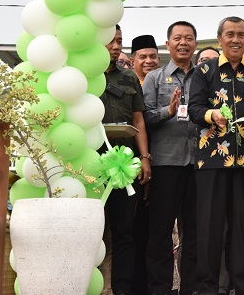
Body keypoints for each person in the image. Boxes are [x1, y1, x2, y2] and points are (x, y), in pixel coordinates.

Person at [188, 16, 244, 295]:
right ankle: (207, 286)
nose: (236, 39)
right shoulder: (204, 71)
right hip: (211, 158)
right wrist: (212, 115)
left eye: (241, 34)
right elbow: (194, 109)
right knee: (209, 226)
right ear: (220, 38)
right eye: (230, 34)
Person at [142, 21, 200, 295]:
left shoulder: (204, 77)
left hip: (198, 164)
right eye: (177, 38)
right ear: (168, 45)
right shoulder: (154, 78)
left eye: (189, 38)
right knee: (160, 232)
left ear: (195, 44)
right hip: (166, 163)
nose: (183, 43)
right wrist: (169, 110)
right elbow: (145, 118)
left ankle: (190, 288)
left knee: (195, 233)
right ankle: (160, 289)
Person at [101, 25, 152, 295]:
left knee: (124, 231)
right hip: (91, 164)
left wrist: (145, 158)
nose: (116, 45)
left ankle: (121, 288)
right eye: (111, 40)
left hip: (124, 163)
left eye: (119, 40)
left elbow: (138, 120)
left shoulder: (129, 78)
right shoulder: (82, 75)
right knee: (93, 230)